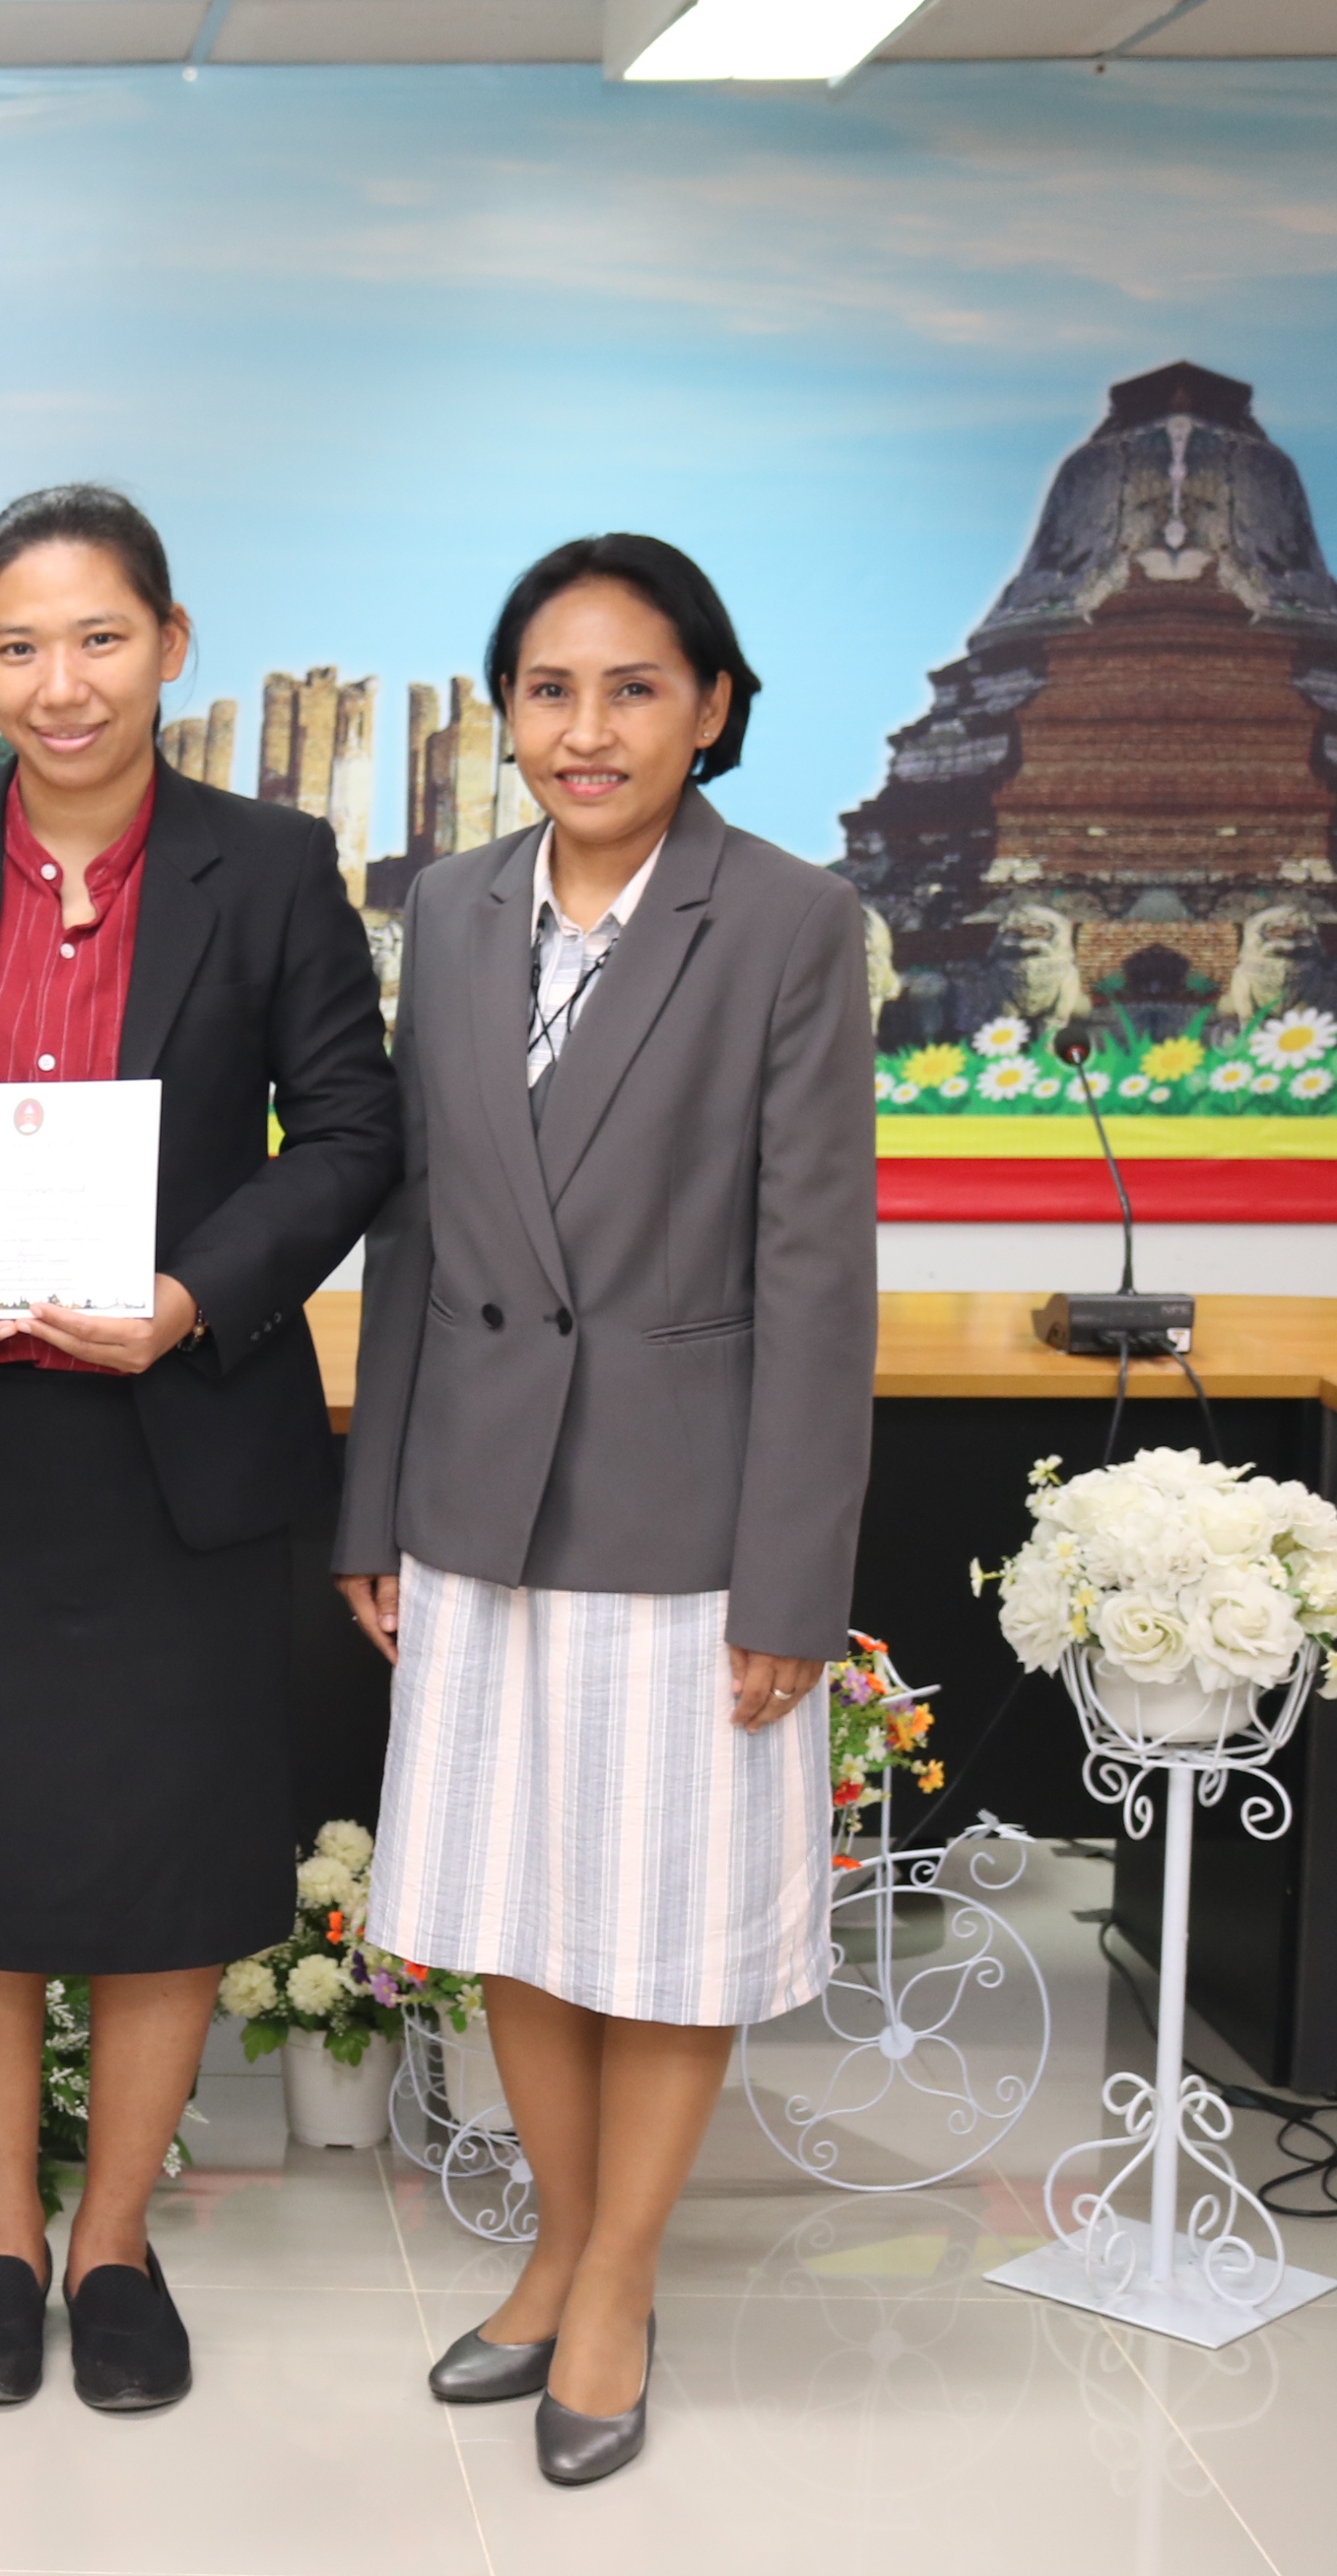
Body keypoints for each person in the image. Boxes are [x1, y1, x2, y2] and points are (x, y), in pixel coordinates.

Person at [0, 486, 399, 2414]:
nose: (63, 683)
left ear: (171, 645)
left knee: (164, 1874)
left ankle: (115, 2240)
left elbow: (353, 1133)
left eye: (100, 638)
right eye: (19, 646)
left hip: (173, 1448)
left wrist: (196, 1293)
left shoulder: (271, 865)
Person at [332, 533, 877, 2486]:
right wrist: (374, 1502)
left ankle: (620, 2283)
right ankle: (559, 2248)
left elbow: (818, 1277)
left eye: (634, 688)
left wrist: (791, 1581)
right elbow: (413, 1232)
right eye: (549, 691)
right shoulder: (456, 907)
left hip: (686, 1521)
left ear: (711, 708)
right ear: (506, 717)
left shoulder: (790, 921)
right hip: (475, 1495)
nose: (588, 729)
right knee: (515, 1909)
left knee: (664, 1928)